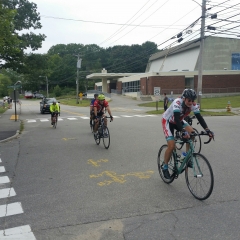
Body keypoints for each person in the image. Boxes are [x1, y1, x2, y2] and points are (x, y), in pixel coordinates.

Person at [161, 89, 214, 179]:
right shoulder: (177, 102)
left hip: (180, 121)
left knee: (192, 133)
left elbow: (199, 117)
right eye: (189, 100)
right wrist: (183, 131)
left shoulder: (193, 105)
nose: (191, 102)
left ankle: (186, 157)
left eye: (192, 100)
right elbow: (176, 118)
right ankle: (165, 167)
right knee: (171, 145)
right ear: (184, 98)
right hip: (168, 121)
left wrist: (207, 130)